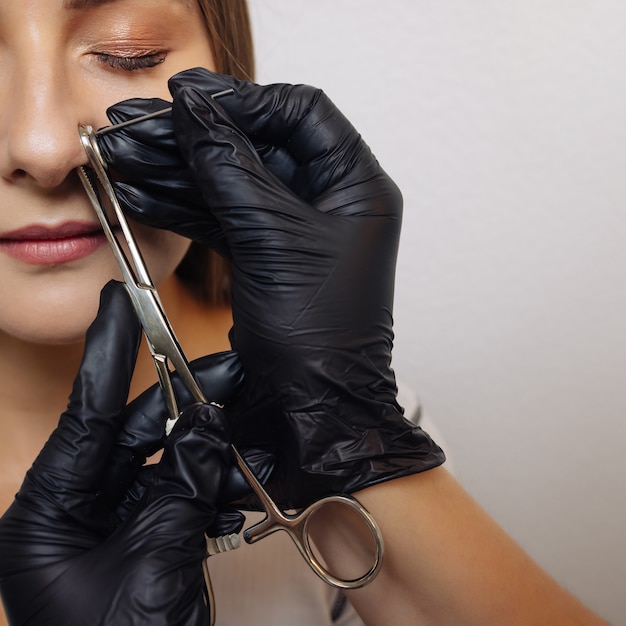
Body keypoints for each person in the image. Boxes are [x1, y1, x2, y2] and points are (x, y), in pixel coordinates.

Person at [0, 1, 609, 625]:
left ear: (221, 85)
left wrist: (351, 443)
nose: (43, 148)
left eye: (130, 53)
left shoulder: (350, 418)